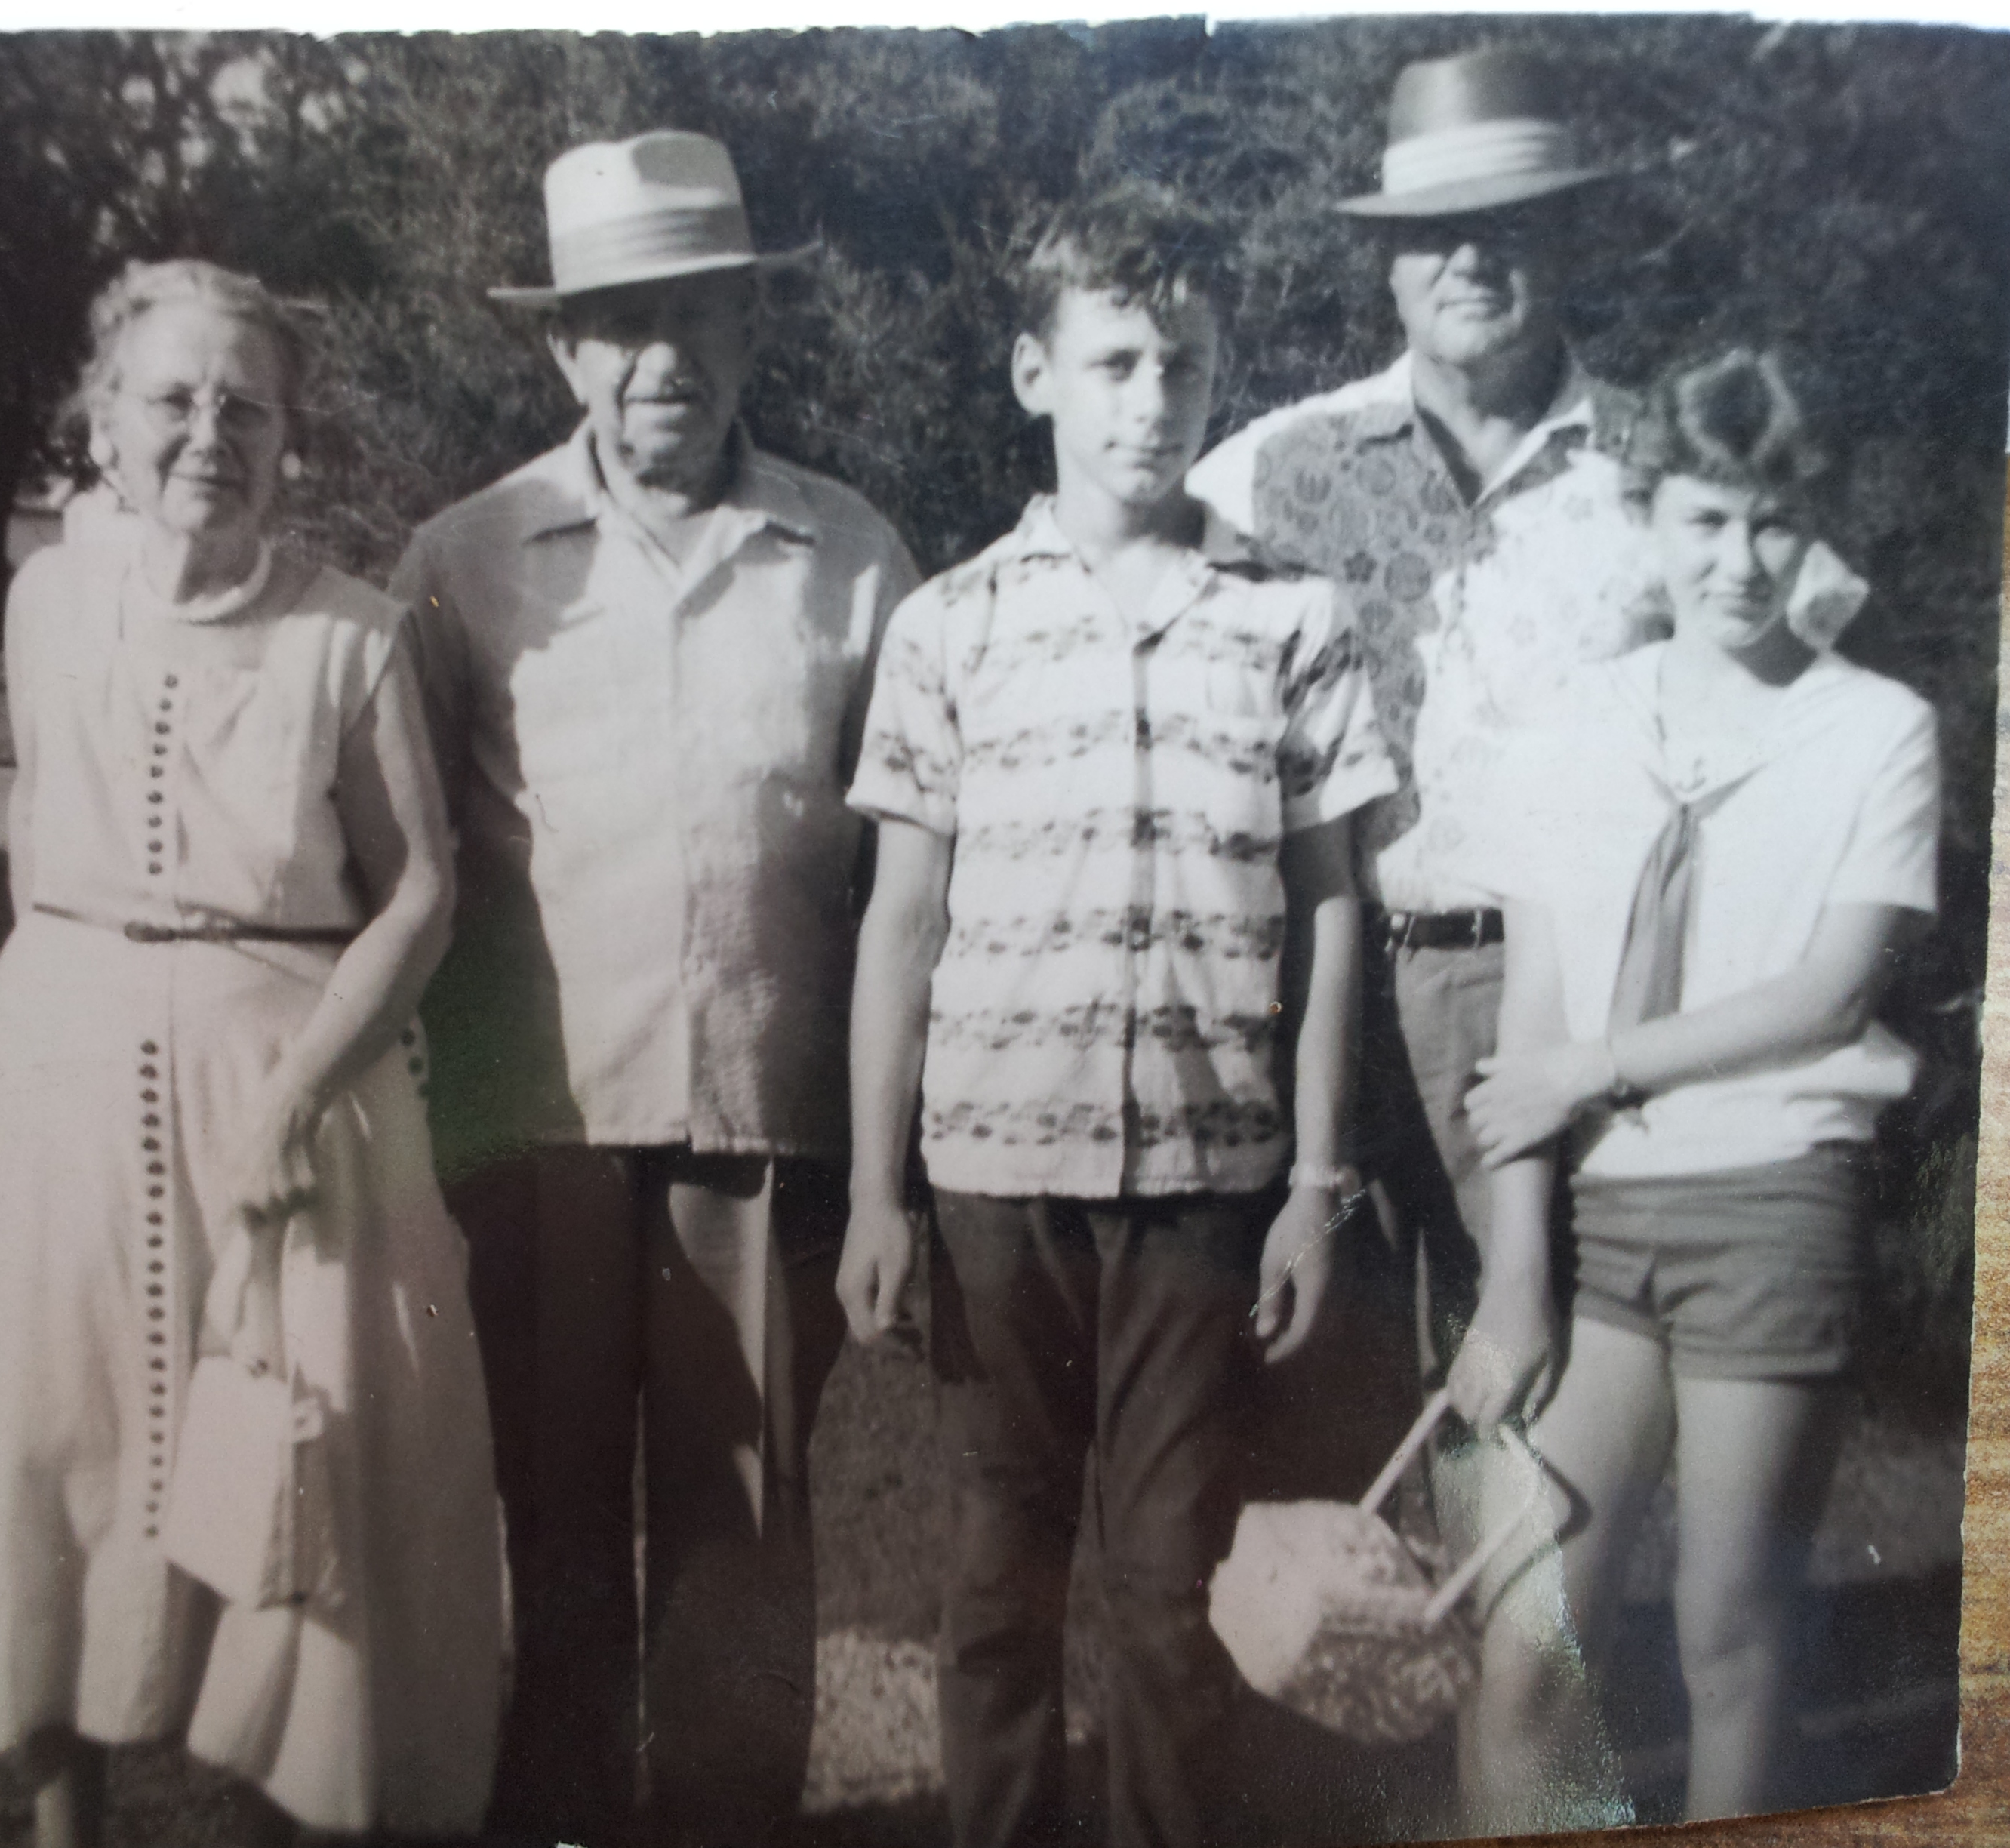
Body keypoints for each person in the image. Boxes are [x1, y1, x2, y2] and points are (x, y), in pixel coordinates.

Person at [0, 258, 501, 1847]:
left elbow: (427, 892)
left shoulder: (353, 638)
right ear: (103, 424)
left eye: (249, 405)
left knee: (303, 1471)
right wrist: (73, 1005)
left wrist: (294, 1092)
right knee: (54, 1446)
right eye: (172, 398)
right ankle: (65, 1823)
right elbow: (42, 824)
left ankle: (271, 1813)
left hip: (287, 1104)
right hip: (54, 1091)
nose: (208, 433)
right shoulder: (41, 601)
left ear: (291, 440)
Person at [837, 182, 1395, 1848]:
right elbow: (902, 919)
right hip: (998, 1184)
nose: (1153, 400)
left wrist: (1312, 1182)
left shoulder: (1292, 622)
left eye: (1185, 363)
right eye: (1116, 361)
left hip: (1210, 1196)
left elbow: (1332, 908)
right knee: (1000, 1581)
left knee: (1171, 1598)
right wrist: (879, 1189)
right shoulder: (953, 625)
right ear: (1036, 374)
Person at [389, 132, 921, 1848]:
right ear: (564, 350)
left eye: (698, 316)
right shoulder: (465, 560)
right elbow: (391, 856)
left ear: (754, 333)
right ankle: (555, 1814)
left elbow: (912, 868)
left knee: (745, 1533)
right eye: (620, 323)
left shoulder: (850, 557)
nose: (661, 361)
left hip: (764, 1126)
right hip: (534, 1129)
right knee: (550, 1522)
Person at [1449, 348, 1938, 1828]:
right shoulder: (1573, 722)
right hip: (1598, 1229)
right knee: (1530, 1646)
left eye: (1775, 523)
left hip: (1774, 1205)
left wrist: (1598, 1067)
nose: (1740, 561)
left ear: (1816, 524)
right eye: (1707, 522)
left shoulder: (1876, 728)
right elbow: (1533, 1013)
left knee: (1730, 1636)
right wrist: (1515, 1276)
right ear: (1650, 517)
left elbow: (1829, 991)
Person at [1188, 46, 1652, 1456]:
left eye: (1507, 224)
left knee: (1529, 1424)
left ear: (1566, 238)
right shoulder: (1269, 470)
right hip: (1313, 984)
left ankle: (1525, 1674)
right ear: (1385, 265)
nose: (1468, 260)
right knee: (1317, 1422)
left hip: (1556, 996)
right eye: (1431, 234)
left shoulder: (1664, 470)